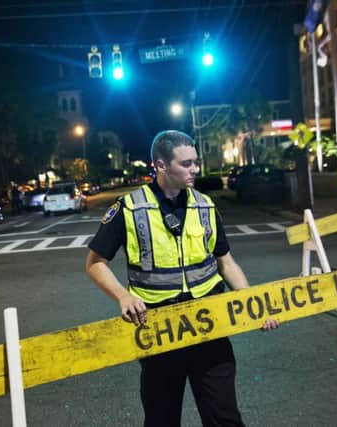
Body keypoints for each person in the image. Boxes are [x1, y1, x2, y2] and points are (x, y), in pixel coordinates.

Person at [85, 130, 278, 427]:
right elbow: (95, 263)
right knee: (162, 419)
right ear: (161, 165)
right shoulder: (129, 208)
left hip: (209, 327)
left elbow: (226, 263)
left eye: (195, 162)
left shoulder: (205, 205)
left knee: (225, 418)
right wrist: (123, 296)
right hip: (160, 332)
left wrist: (253, 304)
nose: (195, 169)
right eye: (186, 164)